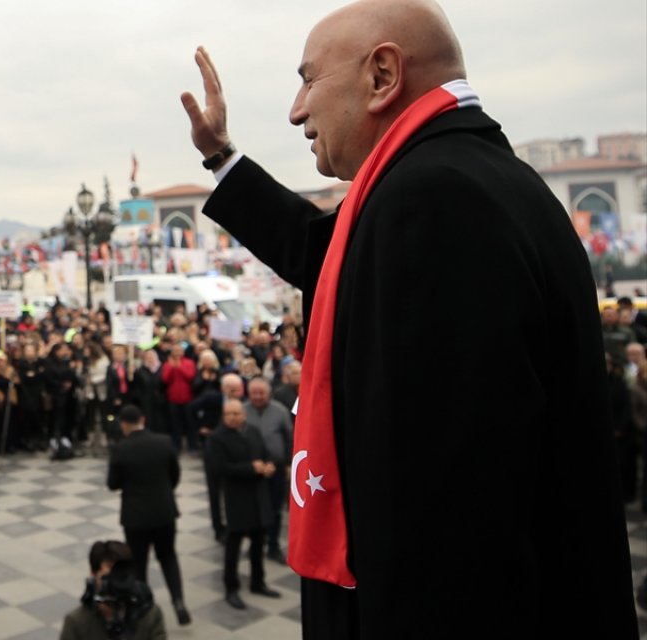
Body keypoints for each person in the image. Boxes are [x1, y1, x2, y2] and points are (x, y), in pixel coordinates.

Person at [180, 0, 635, 635]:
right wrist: (222, 156)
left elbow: (445, 519)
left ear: (383, 76)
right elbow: (329, 252)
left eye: (309, 78)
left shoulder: (435, 199)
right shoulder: (459, 179)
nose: (296, 109)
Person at [106, 405, 189, 626]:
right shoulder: (163, 442)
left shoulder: (120, 449)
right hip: (164, 512)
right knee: (168, 557)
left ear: (124, 424)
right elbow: (175, 475)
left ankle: (142, 607)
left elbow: (112, 484)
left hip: (135, 516)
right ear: (143, 420)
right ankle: (179, 601)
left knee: (138, 563)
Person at [206, 400, 280, 610]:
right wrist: (251, 468)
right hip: (236, 498)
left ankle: (258, 582)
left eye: (236, 413)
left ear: (244, 415)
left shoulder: (253, 431)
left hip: (258, 495)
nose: (232, 417)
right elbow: (220, 468)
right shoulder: (217, 438)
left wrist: (268, 465)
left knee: (258, 542)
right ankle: (231, 587)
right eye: (228, 414)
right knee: (234, 545)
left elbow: (264, 453)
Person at [59, 540, 167, 640]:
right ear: (94, 574)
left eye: (122, 570)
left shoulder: (149, 615)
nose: (117, 577)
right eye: (110, 568)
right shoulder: (77, 622)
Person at [243, 377, 293, 564]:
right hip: (252, 467)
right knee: (253, 508)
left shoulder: (280, 411)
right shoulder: (243, 411)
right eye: (254, 393)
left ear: (269, 393)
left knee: (275, 508)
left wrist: (288, 463)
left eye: (261, 393)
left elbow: (290, 438)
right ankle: (256, 543)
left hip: (276, 467)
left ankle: (273, 545)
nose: (257, 396)